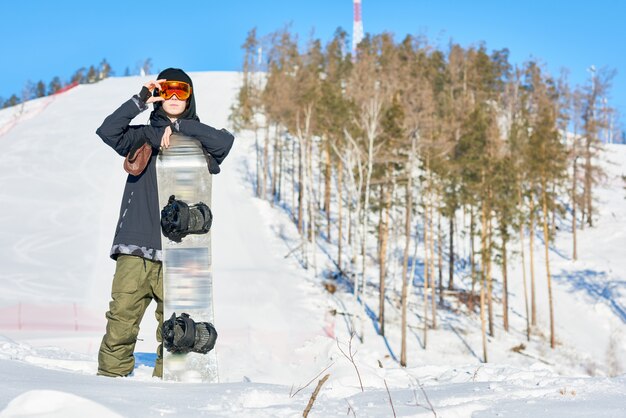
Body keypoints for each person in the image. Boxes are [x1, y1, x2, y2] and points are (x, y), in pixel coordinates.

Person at [95, 68, 234, 378]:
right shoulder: (141, 136)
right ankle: (109, 384)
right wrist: (141, 100)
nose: (172, 96)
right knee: (121, 319)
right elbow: (108, 131)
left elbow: (224, 143)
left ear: (190, 97)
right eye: (166, 90)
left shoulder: (198, 139)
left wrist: (181, 128)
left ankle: (167, 392)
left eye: (181, 91)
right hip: (136, 244)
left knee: (175, 331)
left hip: (181, 252)